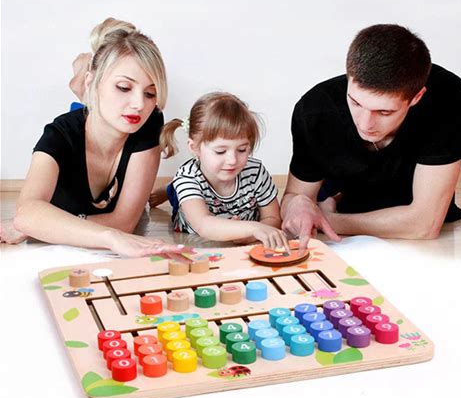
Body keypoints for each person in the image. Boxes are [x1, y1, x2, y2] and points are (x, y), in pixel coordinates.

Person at [0, 18, 192, 259]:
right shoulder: (60, 134)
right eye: (124, 87)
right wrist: (109, 236)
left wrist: (46, 227)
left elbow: (124, 222)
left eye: (150, 93)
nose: (139, 104)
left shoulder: (149, 121)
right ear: (91, 82)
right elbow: (27, 213)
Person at [281, 24, 461, 250]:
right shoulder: (315, 109)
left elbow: (425, 225)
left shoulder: (445, 96)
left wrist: (326, 220)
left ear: (416, 97)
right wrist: (298, 206)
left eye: (384, 112)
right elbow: (295, 197)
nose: (365, 125)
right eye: (355, 103)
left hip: (423, 238)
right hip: (347, 229)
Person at [155, 91, 289, 250]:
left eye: (242, 150)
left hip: (242, 225)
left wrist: (251, 234)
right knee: (180, 189)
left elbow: (273, 217)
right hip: (192, 207)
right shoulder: (188, 178)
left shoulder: (256, 172)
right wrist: (252, 228)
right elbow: (203, 224)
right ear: (194, 147)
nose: (232, 160)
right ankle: (171, 189)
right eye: (220, 151)